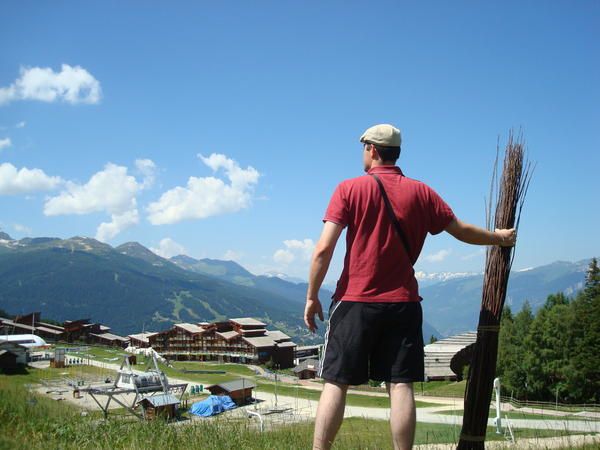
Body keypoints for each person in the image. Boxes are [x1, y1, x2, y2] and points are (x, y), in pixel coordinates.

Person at [304, 124, 516, 450]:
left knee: (336, 382)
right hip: (403, 303)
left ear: (373, 149)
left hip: (354, 302)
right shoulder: (422, 193)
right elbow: (462, 231)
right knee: (400, 386)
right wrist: (499, 238)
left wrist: (311, 296)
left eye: (363, 147)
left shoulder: (348, 189)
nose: (362, 152)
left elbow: (323, 249)